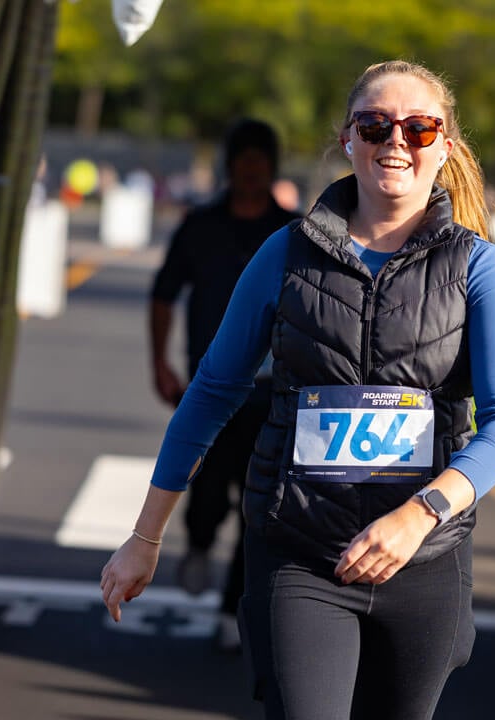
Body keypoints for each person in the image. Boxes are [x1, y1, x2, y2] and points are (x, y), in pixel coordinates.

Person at [104, 60, 495, 719]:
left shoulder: (476, 265)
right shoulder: (285, 253)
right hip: (299, 555)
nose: (395, 141)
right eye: (375, 125)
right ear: (347, 139)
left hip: (424, 562)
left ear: (444, 145)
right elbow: (213, 392)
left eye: (419, 129)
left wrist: (420, 515)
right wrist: (145, 537)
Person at [147, 118, 299, 651]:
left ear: (272, 167)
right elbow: (163, 294)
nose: (253, 169)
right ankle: (198, 541)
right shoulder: (200, 227)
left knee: (257, 507)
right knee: (207, 492)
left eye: (263, 159)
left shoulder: (296, 233)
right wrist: (160, 364)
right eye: (245, 158)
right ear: (231, 166)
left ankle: (233, 606)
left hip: (274, 394)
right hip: (210, 390)